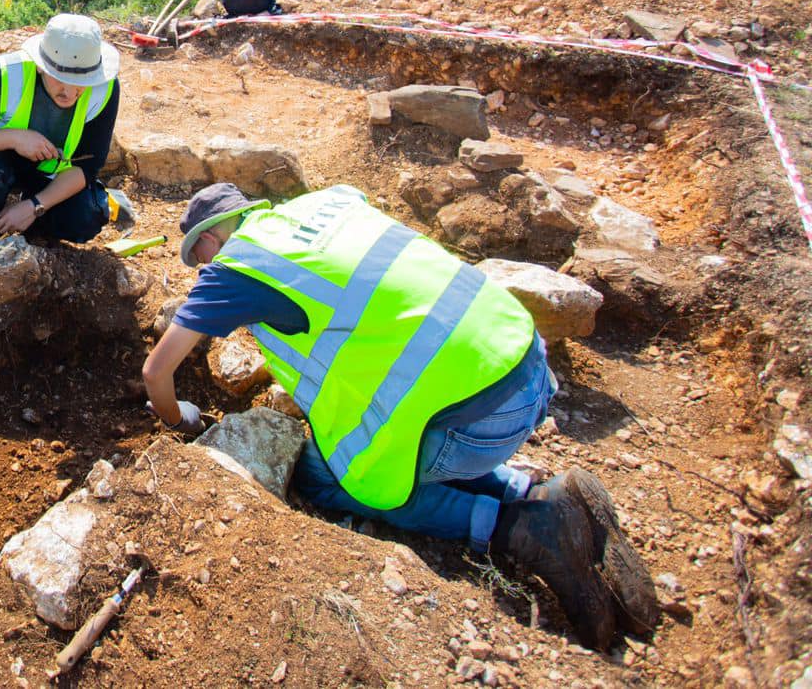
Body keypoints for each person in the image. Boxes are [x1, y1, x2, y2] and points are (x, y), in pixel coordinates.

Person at [142, 183, 658, 651]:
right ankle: (537, 492)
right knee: (401, 428)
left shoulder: (236, 271)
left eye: (197, 257)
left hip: (475, 421)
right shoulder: (328, 202)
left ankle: (520, 528)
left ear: (211, 240)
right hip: (525, 366)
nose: (200, 270)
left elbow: (155, 372)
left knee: (327, 478)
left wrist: (182, 420)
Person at [0, 14, 122, 261]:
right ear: (41, 66)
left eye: (81, 83)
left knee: (86, 217)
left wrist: (34, 206)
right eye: (61, 79)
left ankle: (30, 227)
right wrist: (15, 138)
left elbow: (88, 166)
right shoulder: (9, 75)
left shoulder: (105, 88)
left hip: (50, 177)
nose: (70, 92)